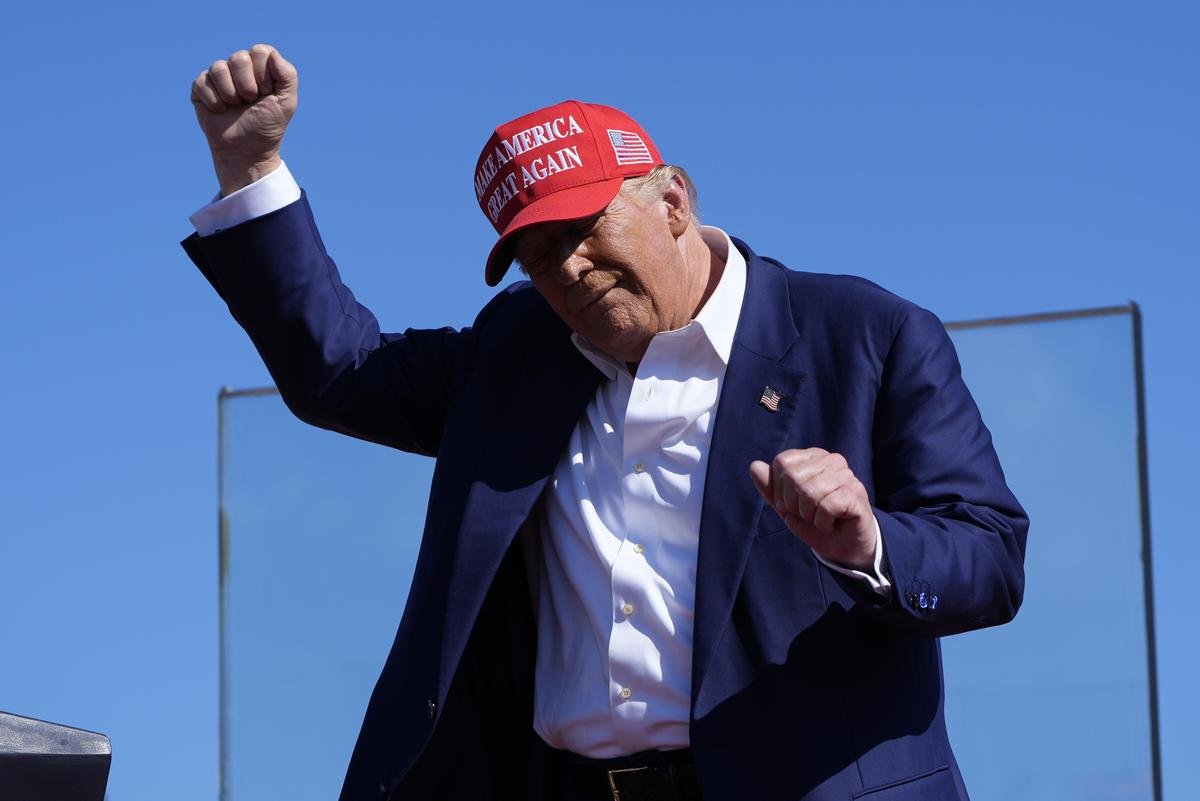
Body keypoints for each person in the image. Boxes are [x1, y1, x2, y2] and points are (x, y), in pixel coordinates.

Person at [183, 44, 1028, 801]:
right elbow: (343, 373)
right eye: (537, 255)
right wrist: (251, 169)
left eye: (582, 229)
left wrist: (870, 543)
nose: (568, 268)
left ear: (673, 200)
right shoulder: (517, 353)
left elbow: (990, 553)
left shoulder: (866, 335)